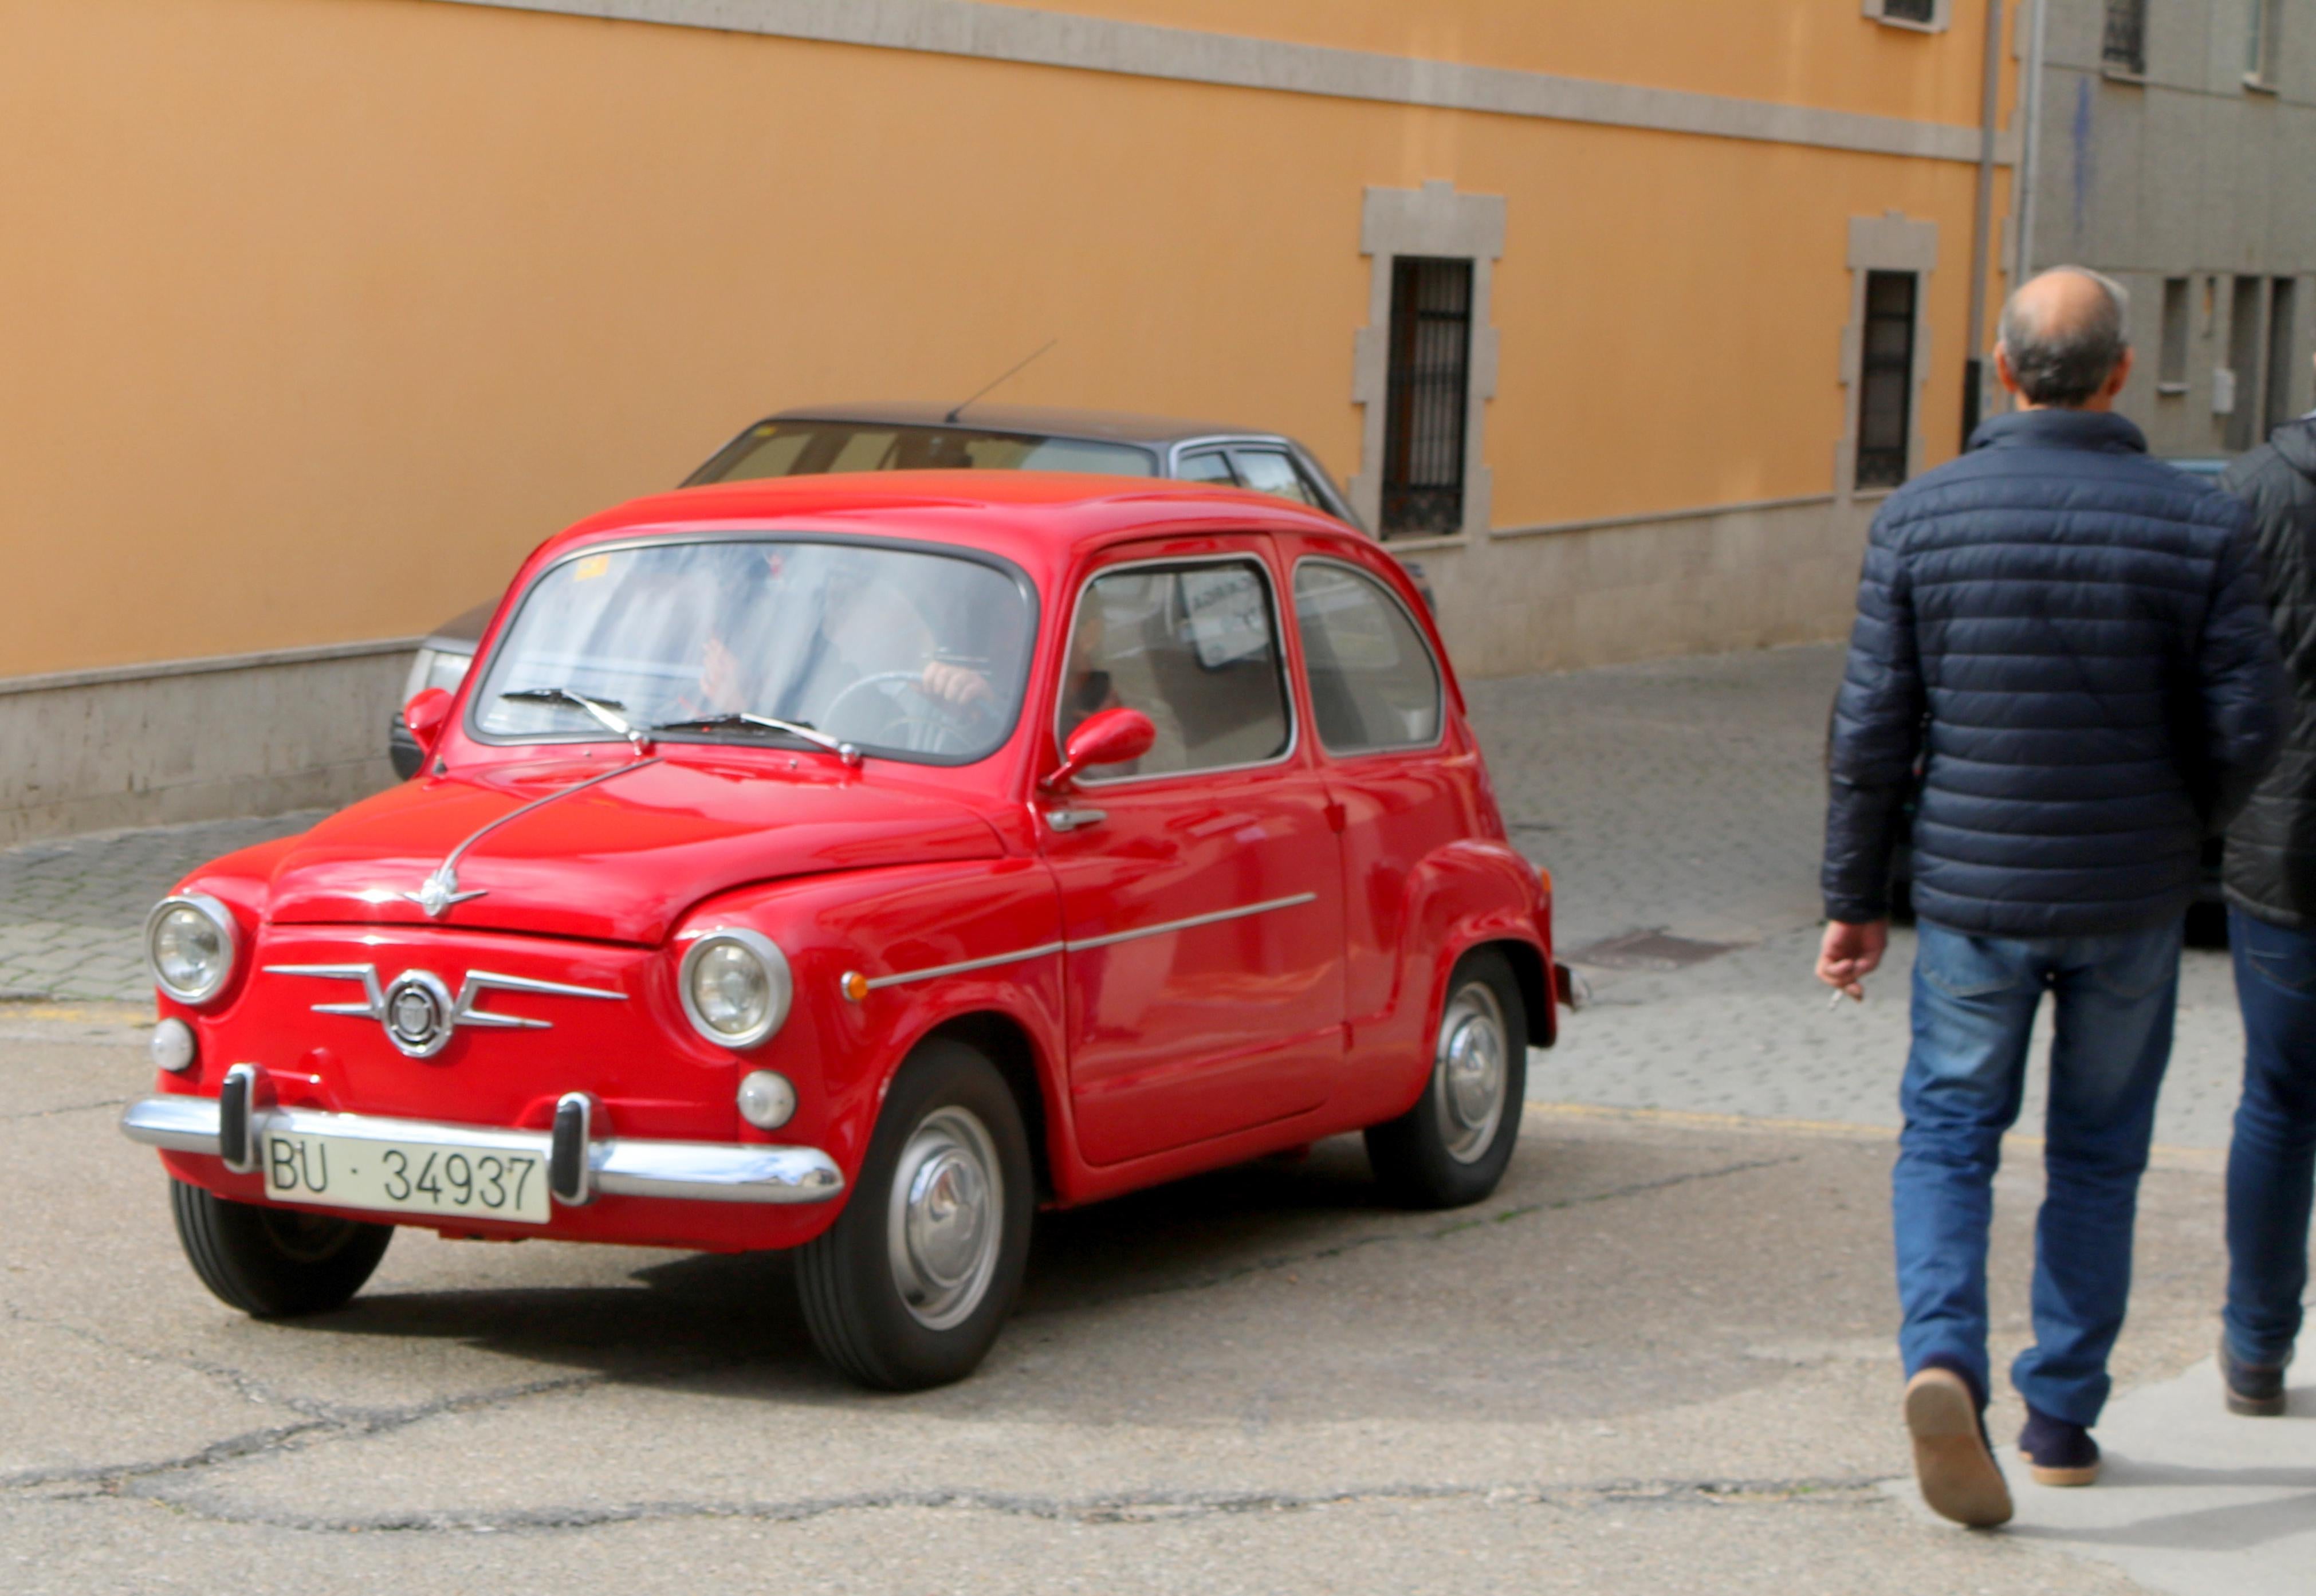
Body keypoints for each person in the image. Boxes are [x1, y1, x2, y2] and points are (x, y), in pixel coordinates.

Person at [1815, 267, 2286, 1527]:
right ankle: (2063, 1418)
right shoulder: (2199, 522)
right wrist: (2187, 825)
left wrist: (1856, 898)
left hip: (1971, 892)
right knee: (2098, 1154)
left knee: (1952, 1134)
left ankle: (1942, 1358)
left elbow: (1870, 730)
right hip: (2131, 894)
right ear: (2123, 373)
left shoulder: (1921, 516)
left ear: (2002, 370)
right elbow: (2255, 717)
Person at [2215, 356, 2316, 1418]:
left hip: (2283, 840)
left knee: (2281, 1101)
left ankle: (2256, 1346)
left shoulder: (2247, 492)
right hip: (2278, 836)